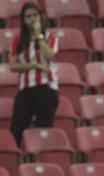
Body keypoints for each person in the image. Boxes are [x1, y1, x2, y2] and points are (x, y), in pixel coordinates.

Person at [9, 2, 59, 149]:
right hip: (25, 89)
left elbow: (49, 55)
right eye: (28, 16)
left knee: (43, 131)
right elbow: (13, 66)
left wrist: (38, 36)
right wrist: (33, 65)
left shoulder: (51, 37)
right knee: (16, 128)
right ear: (23, 20)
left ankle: (41, 163)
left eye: (34, 15)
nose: (32, 19)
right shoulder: (18, 40)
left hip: (46, 88)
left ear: (41, 17)